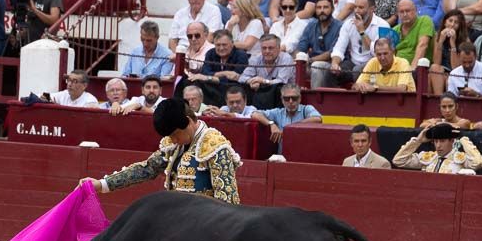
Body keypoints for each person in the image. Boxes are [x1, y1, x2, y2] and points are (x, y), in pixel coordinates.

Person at [83, 98, 241, 204]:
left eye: (174, 135)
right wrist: (101, 184)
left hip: (206, 227)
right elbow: (148, 169)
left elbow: (228, 200)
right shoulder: (173, 146)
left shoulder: (215, 145)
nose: (172, 140)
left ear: (187, 122)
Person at [392, 121, 482, 173]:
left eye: (442, 141)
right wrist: (418, 141)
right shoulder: (428, 157)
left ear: (452, 141)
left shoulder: (460, 158)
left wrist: (462, 139)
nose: (438, 145)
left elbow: (478, 163)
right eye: (436, 141)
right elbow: (398, 161)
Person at [250, 82, 322, 146]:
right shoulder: (278, 112)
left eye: (294, 98)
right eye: (287, 99)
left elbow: (318, 119)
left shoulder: (306, 109)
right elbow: (254, 114)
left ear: (300, 98)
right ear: (282, 100)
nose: (290, 101)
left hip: (302, 153)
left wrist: (291, 127)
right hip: (283, 156)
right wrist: (271, 124)